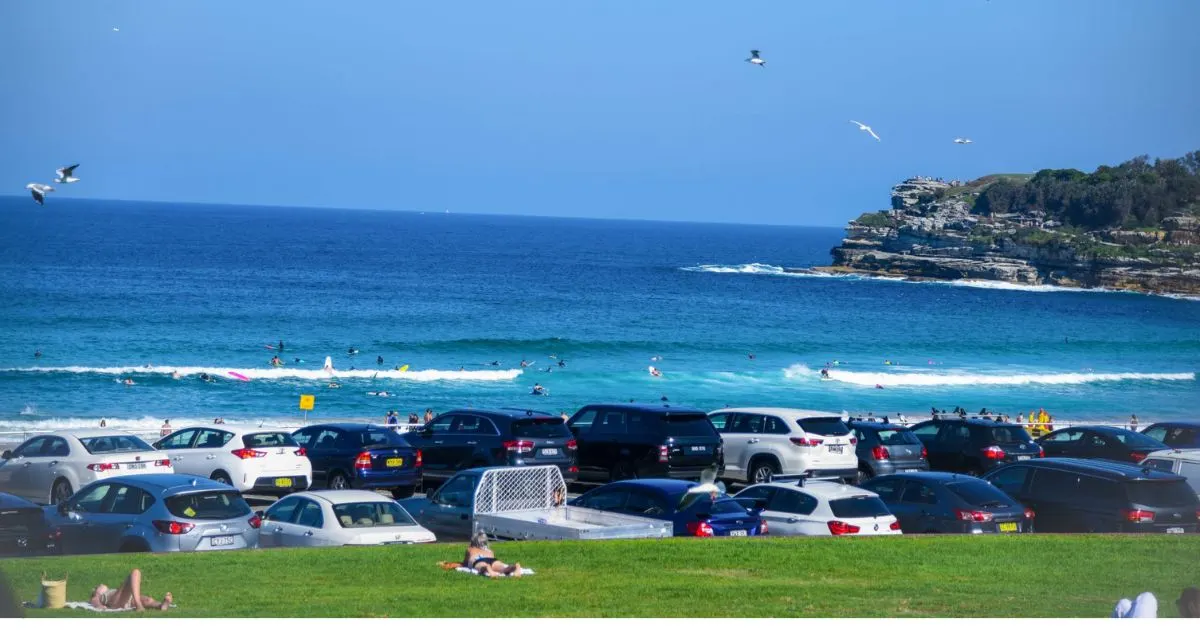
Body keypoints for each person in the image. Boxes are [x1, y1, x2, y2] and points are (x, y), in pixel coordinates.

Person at [89, 569, 172, 611]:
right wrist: (100, 606)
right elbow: (95, 601)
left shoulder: (108, 590)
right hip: (115, 601)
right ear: (95, 591)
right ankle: (138, 605)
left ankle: (161, 606)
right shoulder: (99, 595)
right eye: (98, 586)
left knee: (147, 600)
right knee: (135, 572)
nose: (100, 585)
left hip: (128, 599)